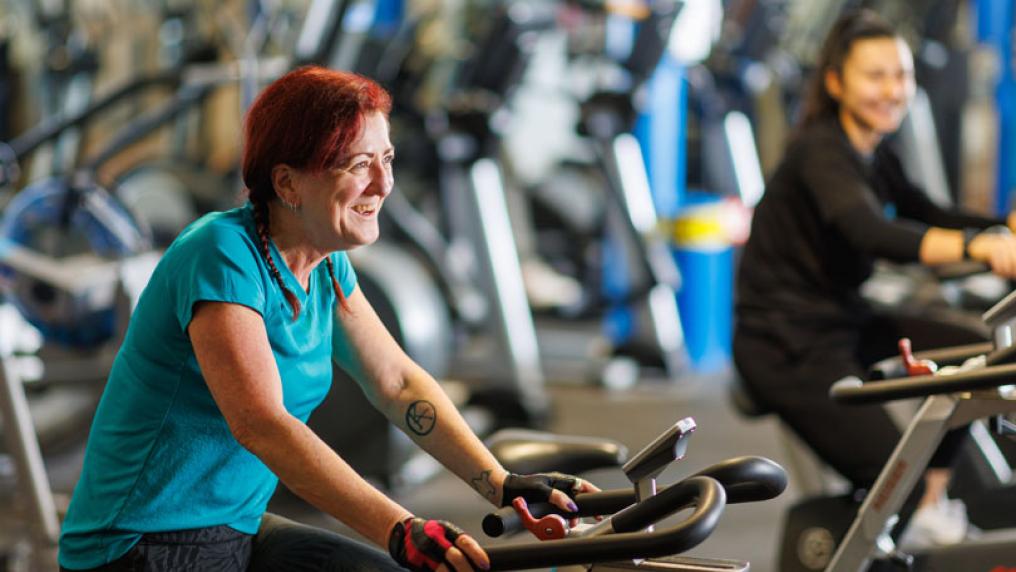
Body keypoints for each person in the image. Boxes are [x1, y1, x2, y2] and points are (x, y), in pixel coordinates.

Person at [58, 66, 595, 572]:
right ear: (288, 185)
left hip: (233, 525)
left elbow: (398, 383)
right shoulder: (221, 254)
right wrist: (400, 529)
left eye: (387, 159)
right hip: (138, 544)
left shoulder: (326, 265)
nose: (383, 184)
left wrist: (501, 484)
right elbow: (264, 425)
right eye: (359, 165)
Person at [733, 9, 1016, 545]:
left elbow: (924, 210)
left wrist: (1001, 227)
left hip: (840, 319)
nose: (893, 90)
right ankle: (896, 520)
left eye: (901, 75)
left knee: (976, 361)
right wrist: (982, 245)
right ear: (836, 82)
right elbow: (870, 233)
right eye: (876, 75)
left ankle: (925, 512)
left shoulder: (871, 150)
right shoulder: (821, 152)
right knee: (894, 478)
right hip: (785, 344)